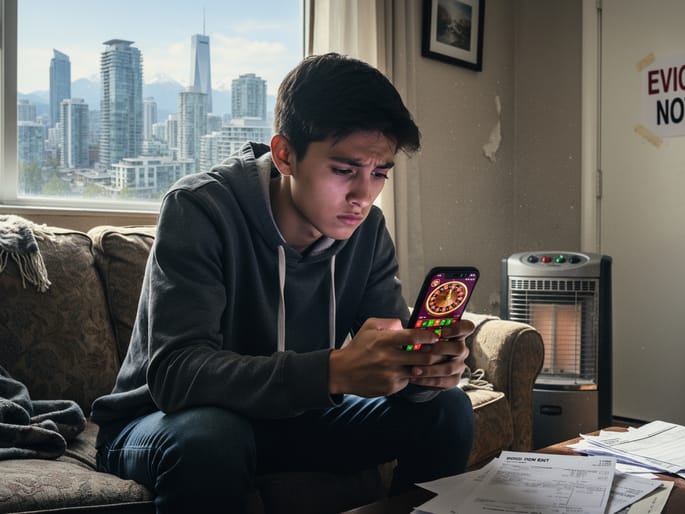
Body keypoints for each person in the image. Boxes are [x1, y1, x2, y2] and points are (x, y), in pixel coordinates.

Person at [90, 53, 476, 513]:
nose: (362, 195)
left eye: (379, 173)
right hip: (161, 422)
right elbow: (176, 374)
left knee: (447, 410)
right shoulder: (200, 209)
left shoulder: (367, 230)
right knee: (212, 436)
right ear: (285, 154)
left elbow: (392, 352)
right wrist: (331, 371)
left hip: (297, 420)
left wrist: (425, 372)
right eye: (344, 169)